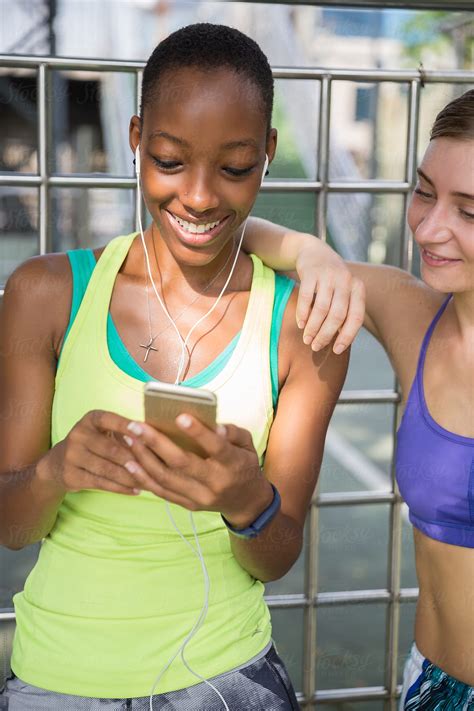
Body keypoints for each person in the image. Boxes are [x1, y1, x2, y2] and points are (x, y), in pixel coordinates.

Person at [0, 23, 353, 711]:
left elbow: (275, 556)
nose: (197, 196)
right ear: (136, 138)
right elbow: (12, 525)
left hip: (228, 680)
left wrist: (244, 500)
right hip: (59, 679)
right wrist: (56, 469)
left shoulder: (305, 326)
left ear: (268, 154)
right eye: (168, 158)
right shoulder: (45, 293)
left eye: (233, 167)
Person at [243, 89, 474, 709]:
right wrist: (312, 252)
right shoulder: (412, 314)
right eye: (424, 192)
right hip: (430, 685)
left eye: (469, 212)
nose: (428, 227)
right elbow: (238, 231)